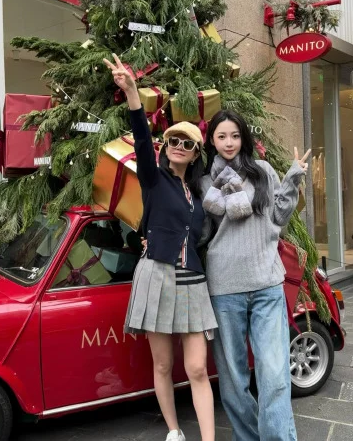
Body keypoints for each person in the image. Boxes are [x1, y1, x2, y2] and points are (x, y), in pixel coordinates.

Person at [103, 54, 218, 441]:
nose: (179, 146)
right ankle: (173, 431)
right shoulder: (153, 179)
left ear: (196, 152)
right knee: (164, 365)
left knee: (197, 368)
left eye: (188, 143)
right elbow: (140, 136)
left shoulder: (199, 193)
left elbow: (205, 232)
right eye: (173, 141)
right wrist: (132, 93)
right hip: (158, 275)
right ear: (165, 146)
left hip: (193, 281)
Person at [199, 109, 310, 441]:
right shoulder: (204, 183)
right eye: (222, 136)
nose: (229, 142)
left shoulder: (262, 171)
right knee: (233, 379)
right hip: (224, 287)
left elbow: (278, 217)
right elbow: (201, 235)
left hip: (266, 285)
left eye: (235, 135)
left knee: (274, 374)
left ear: (243, 138)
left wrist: (293, 178)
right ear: (212, 140)